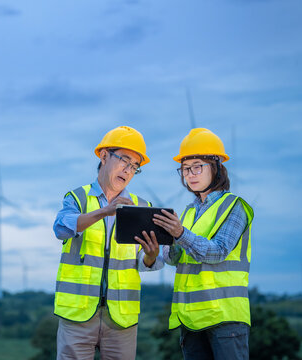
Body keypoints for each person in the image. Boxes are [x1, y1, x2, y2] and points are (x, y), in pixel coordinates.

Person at [53, 126, 163, 360]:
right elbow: (61, 228)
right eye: (124, 160)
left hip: (121, 317)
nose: (129, 169)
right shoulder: (78, 198)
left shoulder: (142, 207)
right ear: (104, 156)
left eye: (135, 166)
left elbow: (148, 263)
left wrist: (151, 256)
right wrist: (104, 212)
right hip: (77, 314)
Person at [149, 128, 254, 360]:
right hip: (191, 319)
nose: (190, 174)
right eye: (185, 169)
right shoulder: (186, 213)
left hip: (225, 319)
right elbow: (173, 259)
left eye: (197, 166)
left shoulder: (234, 207)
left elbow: (218, 251)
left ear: (216, 167)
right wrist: (160, 245)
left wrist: (180, 233)